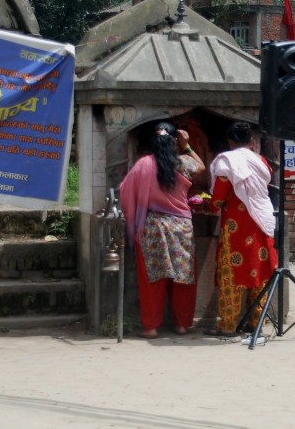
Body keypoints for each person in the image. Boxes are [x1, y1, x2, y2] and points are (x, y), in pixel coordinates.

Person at [118, 122, 205, 339]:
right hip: (181, 228)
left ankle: (150, 327)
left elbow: (124, 190)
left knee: (152, 279)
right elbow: (202, 168)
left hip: (152, 227)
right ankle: (182, 325)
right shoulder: (183, 163)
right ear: (174, 142)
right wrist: (187, 146)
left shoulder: (143, 164)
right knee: (183, 277)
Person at [205, 122, 278, 336]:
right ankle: (255, 323)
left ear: (231, 141)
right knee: (259, 272)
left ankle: (227, 325)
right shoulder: (262, 161)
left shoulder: (228, 161)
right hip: (262, 220)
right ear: (252, 141)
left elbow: (218, 196)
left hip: (237, 224)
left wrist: (208, 205)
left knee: (233, 274)